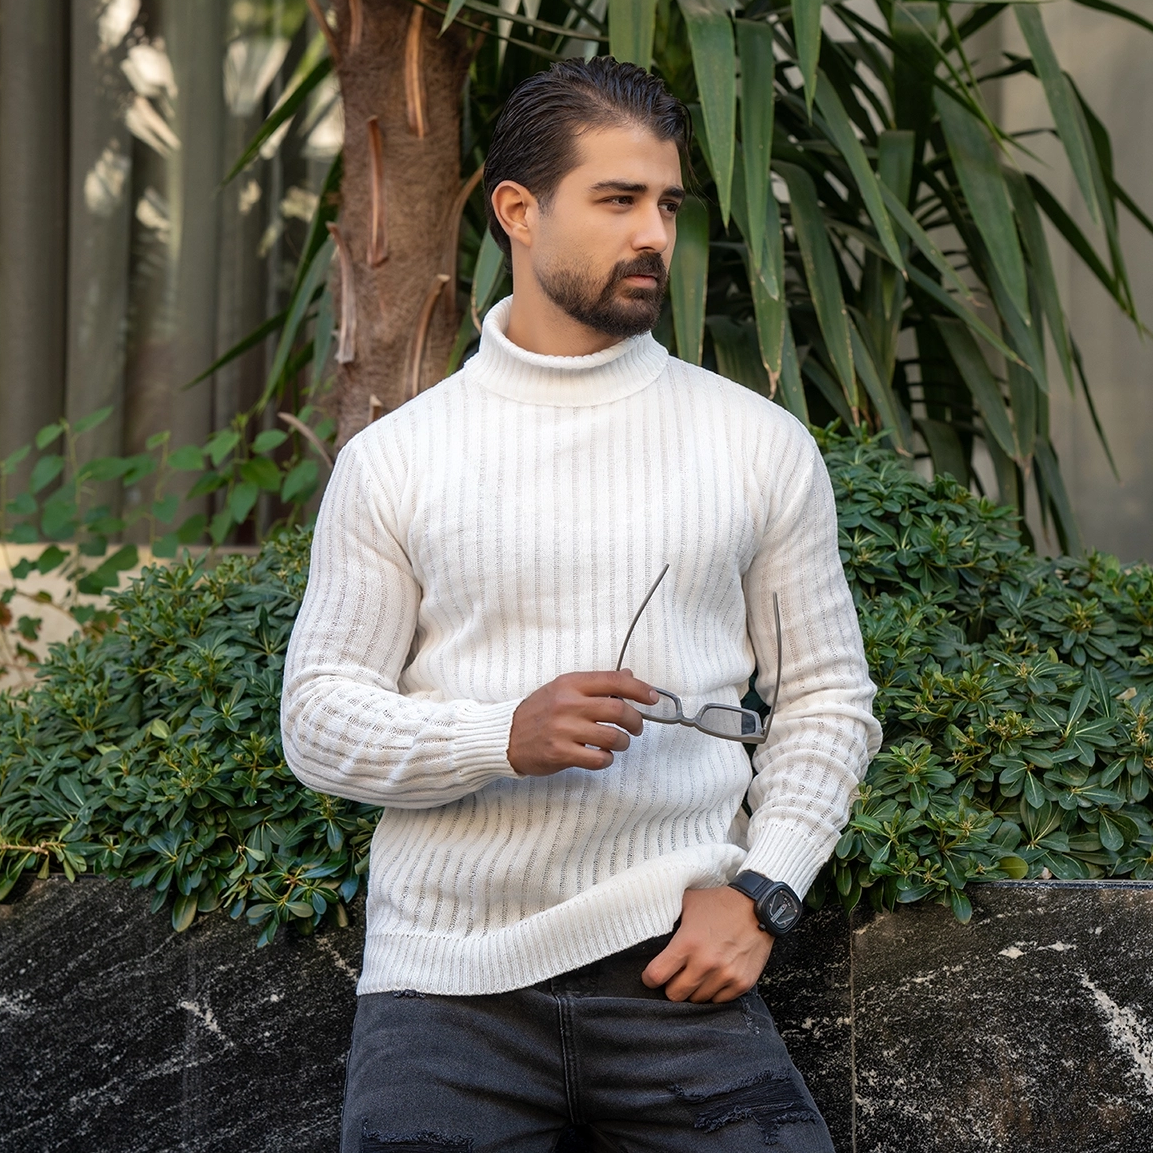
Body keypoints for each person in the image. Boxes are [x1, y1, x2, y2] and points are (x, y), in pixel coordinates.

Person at [281, 56, 881, 1153]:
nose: (653, 233)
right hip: (443, 995)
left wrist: (766, 894)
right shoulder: (396, 461)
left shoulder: (756, 445)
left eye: (668, 205)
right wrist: (499, 736)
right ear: (519, 210)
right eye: (617, 200)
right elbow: (318, 720)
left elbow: (829, 702)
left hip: (677, 970)